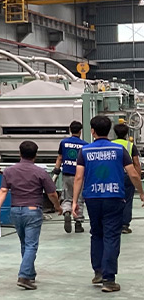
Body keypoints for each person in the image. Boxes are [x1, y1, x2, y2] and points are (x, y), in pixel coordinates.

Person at [72, 115, 144, 293]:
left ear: (92, 131)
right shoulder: (119, 150)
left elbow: (79, 177)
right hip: (114, 198)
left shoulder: (85, 151)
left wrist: (74, 201)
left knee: (96, 234)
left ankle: (98, 271)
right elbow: (133, 174)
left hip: (92, 198)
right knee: (111, 236)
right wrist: (141, 192)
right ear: (109, 130)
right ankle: (109, 279)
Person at [0, 140, 62, 291]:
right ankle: (23, 276)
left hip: (15, 211)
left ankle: (30, 274)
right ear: (35, 155)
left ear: (19, 153)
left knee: (25, 243)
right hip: (32, 211)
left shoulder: (9, 171)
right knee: (31, 244)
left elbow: (3, 191)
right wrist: (57, 207)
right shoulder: (40, 172)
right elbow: (52, 193)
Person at [53, 120, 88, 233]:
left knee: (67, 197)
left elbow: (59, 157)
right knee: (79, 198)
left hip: (67, 174)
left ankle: (67, 211)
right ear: (80, 131)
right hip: (80, 175)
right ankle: (78, 223)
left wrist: (56, 171)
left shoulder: (64, 143)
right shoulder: (85, 145)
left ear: (70, 130)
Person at [112, 122, 141, 234]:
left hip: (113, 176)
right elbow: (136, 163)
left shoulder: (111, 144)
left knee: (113, 200)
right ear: (126, 134)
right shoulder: (130, 146)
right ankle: (124, 225)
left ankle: (114, 223)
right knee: (127, 201)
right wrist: (137, 178)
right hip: (127, 176)